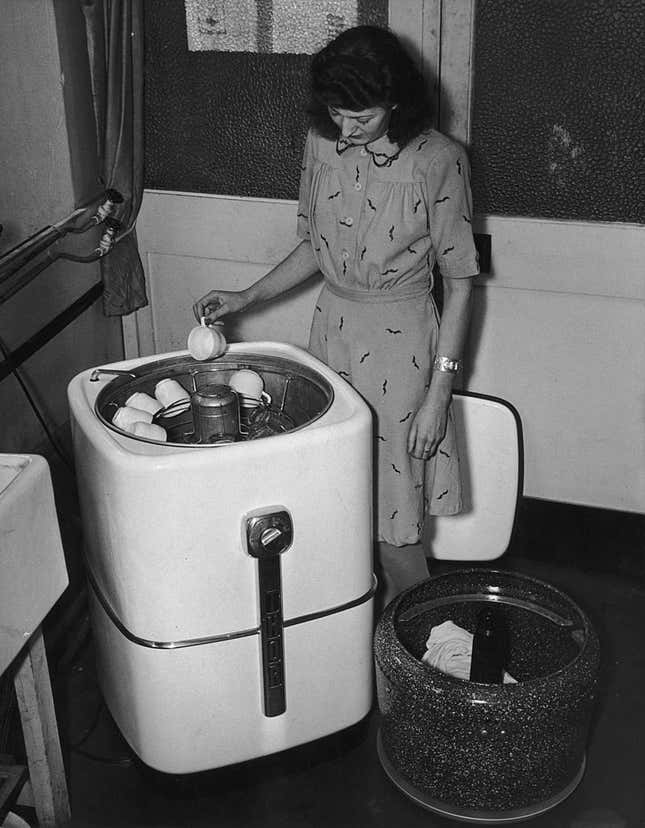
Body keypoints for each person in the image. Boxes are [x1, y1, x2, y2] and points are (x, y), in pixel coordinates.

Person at [193, 25, 479, 607]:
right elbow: (315, 249)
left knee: (393, 522)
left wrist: (438, 395)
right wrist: (247, 298)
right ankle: (349, 637)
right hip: (332, 337)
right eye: (336, 113)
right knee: (334, 500)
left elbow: (461, 284)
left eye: (362, 118)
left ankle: (423, 641)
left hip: (405, 355)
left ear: (396, 101)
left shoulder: (439, 161)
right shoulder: (322, 144)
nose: (346, 130)